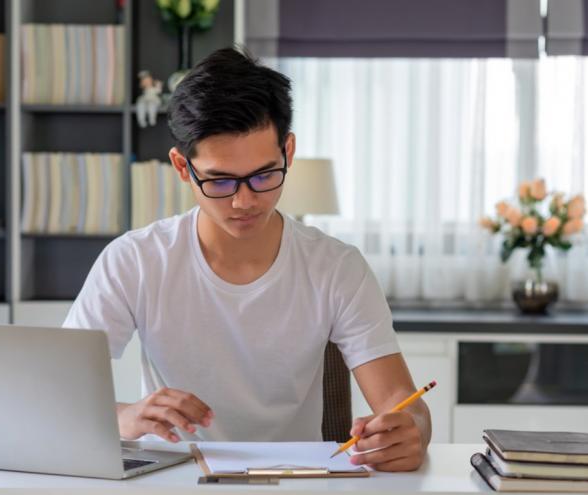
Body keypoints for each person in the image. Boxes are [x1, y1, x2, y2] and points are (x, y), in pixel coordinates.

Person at [64, 47, 431, 472]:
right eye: (220, 181)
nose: (244, 201)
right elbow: (61, 394)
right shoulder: (135, 260)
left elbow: (402, 403)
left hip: (295, 479)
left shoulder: (336, 267)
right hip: (175, 476)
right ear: (183, 168)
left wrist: (411, 430)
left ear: (288, 152)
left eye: (264, 175)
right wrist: (124, 417)